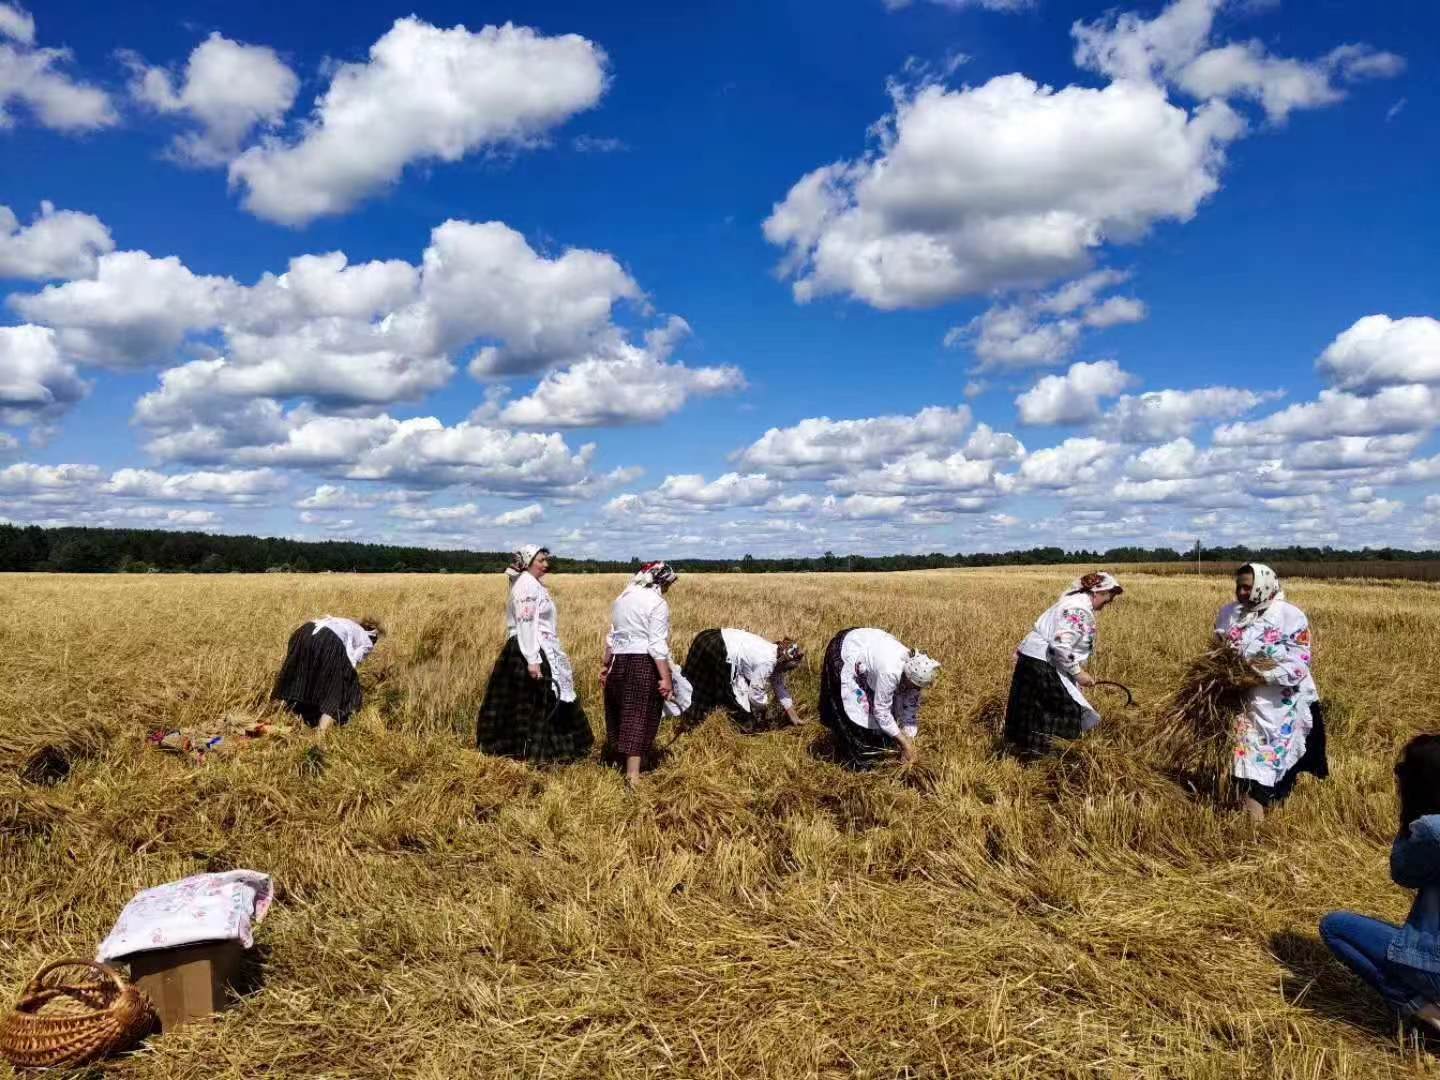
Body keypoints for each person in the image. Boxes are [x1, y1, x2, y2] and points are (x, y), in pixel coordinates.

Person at [1319, 735, 1440, 1035]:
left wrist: (1411, 814)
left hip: (1435, 966)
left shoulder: (1431, 830)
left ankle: (1425, 1009)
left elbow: (1403, 873)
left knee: (1334, 927)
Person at [1216, 562, 1326, 822]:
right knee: (1244, 754)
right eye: (1238, 587)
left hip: (1279, 704)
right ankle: (1251, 812)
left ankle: (1257, 813)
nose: (1241, 592)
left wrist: (1259, 675)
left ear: (1263, 585)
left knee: (1271, 754)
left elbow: (1299, 664)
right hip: (1243, 701)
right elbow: (1219, 646)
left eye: (1247, 587)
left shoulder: (1289, 616)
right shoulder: (1230, 613)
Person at [476, 544, 594, 764]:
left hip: (538, 646)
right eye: (541, 560)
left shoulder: (533, 583)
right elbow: (526, 623)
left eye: (546, 560)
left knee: (536, 700)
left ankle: (537, 750)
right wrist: (532, 659)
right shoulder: (526, 585)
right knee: (532, 701)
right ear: (528, 563)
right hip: (528, 648)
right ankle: (528, 751)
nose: (546, 564)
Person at [1002, 572, 1123, 758]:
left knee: (1032, 709)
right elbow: (1060, 645)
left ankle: (1025, 754)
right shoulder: (1078, 609)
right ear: (1097, 592)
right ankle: (1051, 757)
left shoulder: (1070, 601)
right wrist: (1078, 673)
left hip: (1032, 658)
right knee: (1066, 710)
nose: (1109, 602)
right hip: (1043, 662)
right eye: (1109, 597)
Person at [817, 627, 939, 769]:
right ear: (907, 676)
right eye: (913, 686)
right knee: (855, 715)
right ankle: (852, 758)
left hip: (873, 648)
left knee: (884, 722)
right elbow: (881, 711)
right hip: (852, 647)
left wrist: (909, 738)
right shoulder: (890, 672)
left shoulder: (917, 674)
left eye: (918, 687)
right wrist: (904, 744)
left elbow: (909, 708)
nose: (915, 690)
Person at [602, 561, 678, 787]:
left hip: (619, 661)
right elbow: (656, 644)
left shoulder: (622, 598)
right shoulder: (657, 603)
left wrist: (606, 665)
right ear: (659, 581)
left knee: (621, 714)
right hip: (642, 661)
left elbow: (612, 636)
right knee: (638, 715)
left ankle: (620, 762)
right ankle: (633, 777)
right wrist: (665, 678)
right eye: (667, 584)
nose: (668, 588)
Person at [272, 615, 382, 734]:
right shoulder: (367, 642)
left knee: (294, 677)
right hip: (329, 639)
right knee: (339, 690)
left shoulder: (345, 622)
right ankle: (321, 733)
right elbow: (351, 665)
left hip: (304, 632)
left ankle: (274, 714)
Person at [678, 628, 804, 733]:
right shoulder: (768, 662)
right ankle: (696, 724)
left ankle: (687, 719)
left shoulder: (774, 652)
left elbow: (779, 685)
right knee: (728, 697)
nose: (788, 671)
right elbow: (755, 692)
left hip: (707, 637)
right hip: (719, 648)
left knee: (698, 685)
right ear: (784, 661)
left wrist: (793, 715)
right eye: (789, 668)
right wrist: (763, 710)